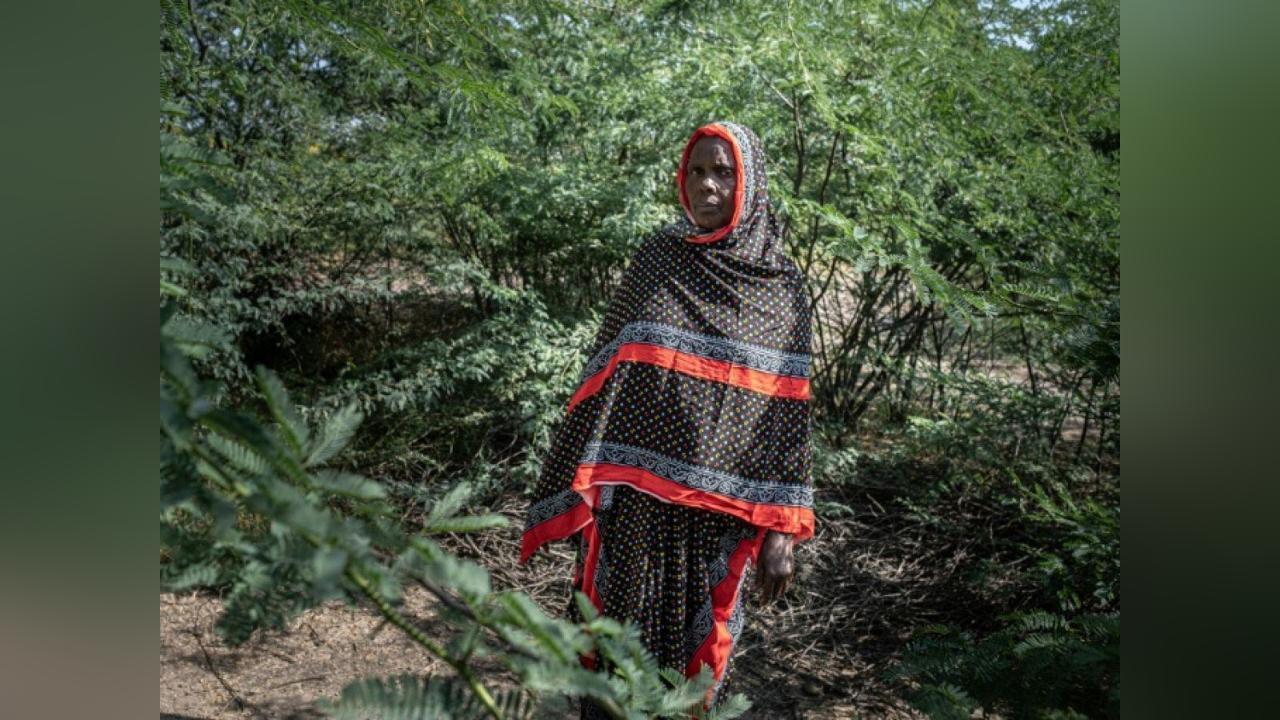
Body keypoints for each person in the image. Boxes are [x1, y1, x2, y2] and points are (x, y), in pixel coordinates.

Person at [520, 122, 815, 713]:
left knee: (691, 672)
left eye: (723, 172)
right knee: (612, 651)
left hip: (717, 520)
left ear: (750, 182)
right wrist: (582, 479)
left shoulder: (780, 285)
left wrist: (782, 530)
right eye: (696, 171)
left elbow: (789, 416)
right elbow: (606, 370)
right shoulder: (658, 258)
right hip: (633, 506)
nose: (706, 185)